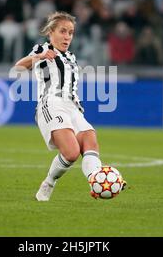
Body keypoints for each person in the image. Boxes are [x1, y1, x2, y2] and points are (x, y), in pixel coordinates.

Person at [14, 11, 126, 201]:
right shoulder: (43, 49)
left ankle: (96, 182)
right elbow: (18, 66)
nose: (67, 37)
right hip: (51, 103)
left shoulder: (71, 58)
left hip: (73, 107)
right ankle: (48, 183)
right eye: (63, 31)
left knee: (90, 139)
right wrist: (39, 57)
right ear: (51, 32)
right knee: (72, 152)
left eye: (71, 32)